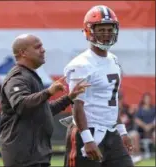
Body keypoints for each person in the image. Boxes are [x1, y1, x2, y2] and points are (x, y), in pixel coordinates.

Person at [0, 34, 90, 167]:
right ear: (23, 53)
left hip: (36, 154)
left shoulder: (30, 75)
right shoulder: (17, 77)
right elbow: (21, 104)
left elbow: (45, 110)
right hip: (23, 157)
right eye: (38, 47)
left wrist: (69, 97)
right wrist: (48, 92)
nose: (43, 50)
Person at [63, 5, 134, 167]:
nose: (106, 34)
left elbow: (112, 100)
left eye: (110, 29)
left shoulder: (113, 60)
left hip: (111, 131)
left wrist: (122, 131)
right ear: (89, 31)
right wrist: (87, 139)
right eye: (101, 30)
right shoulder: (81, 64)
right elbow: (77, 105)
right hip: (88, 131)